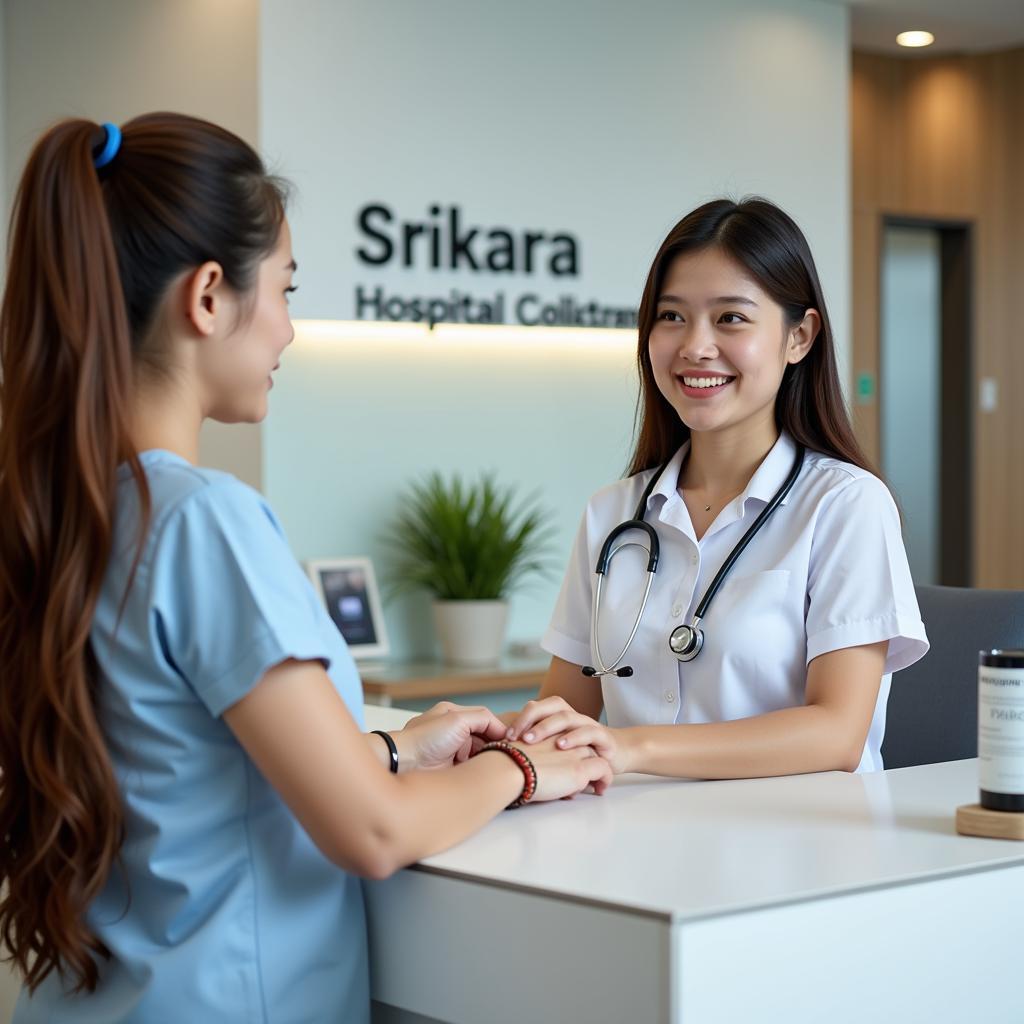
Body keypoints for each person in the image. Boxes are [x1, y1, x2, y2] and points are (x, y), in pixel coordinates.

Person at [0, 114, 611, 1024]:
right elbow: (372, 833)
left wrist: (395, 749)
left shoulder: (51, 512)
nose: (288, 327)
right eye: (285, 288)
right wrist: (521, 770)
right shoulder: (205, 524)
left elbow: (182, 780)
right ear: (209, 297)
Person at [506, 198, 928, 779]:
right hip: (634, 839)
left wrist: (633, 748)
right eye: (672, 316)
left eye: (730, 318)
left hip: (805, 850)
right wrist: (482, 735)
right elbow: (567, 713)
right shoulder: (615, 514)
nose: (695, 346)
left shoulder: (845, 504)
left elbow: (836, 734)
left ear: (799, 337)